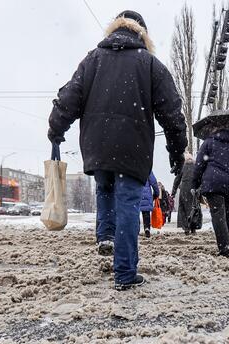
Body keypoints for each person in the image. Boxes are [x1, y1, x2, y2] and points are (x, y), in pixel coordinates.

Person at [48, 10, 187, 291]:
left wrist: (56, 131)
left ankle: (106, 236)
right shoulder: (149, 64)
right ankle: (124, 272)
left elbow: (67, 99)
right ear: (143, 35)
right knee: (127, 203)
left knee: (105, 191)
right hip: (133, 146)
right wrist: (176, 151)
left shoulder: (92, 60)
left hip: (97, 146)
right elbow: (172, 113)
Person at [192, 126, 229, 257]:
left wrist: (195, 183)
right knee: (227, 213)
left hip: (213, 183)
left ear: (214, 129)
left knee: (218, 215)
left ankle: (225, 247)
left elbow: (199, 165)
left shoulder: (208, 142)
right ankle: (225, 242)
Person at [172, 152, 198, 235]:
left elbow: (177, 180)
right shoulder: (196, 167)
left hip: (184, 189)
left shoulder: (182, 166)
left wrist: (173, 192)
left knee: (183, 209)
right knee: (194, 208)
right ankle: (193, 227)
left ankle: (186, 228)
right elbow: (200, 178)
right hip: (193, 190)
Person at [140, 171, 159, 238]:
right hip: (146, 193)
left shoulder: (132, 165)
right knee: (146, 213)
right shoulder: (147, 166)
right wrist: (156, 193)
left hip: (136, 192)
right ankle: (147, 228)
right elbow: (153, 182)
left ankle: (135, 229)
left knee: (135, 213)